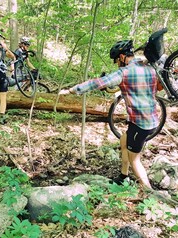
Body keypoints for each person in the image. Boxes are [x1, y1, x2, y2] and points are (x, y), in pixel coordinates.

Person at [60, 40, 160, 189]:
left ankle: (149, 191)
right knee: (124, 142)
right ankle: (123, 177)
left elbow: (97, 83)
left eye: (116, 60)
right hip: (149, 119)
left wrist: (71, 90)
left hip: (141, 124)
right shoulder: (148, 67)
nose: (116, 64)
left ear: (121, 56)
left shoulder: (124, 72)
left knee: (135, 160)